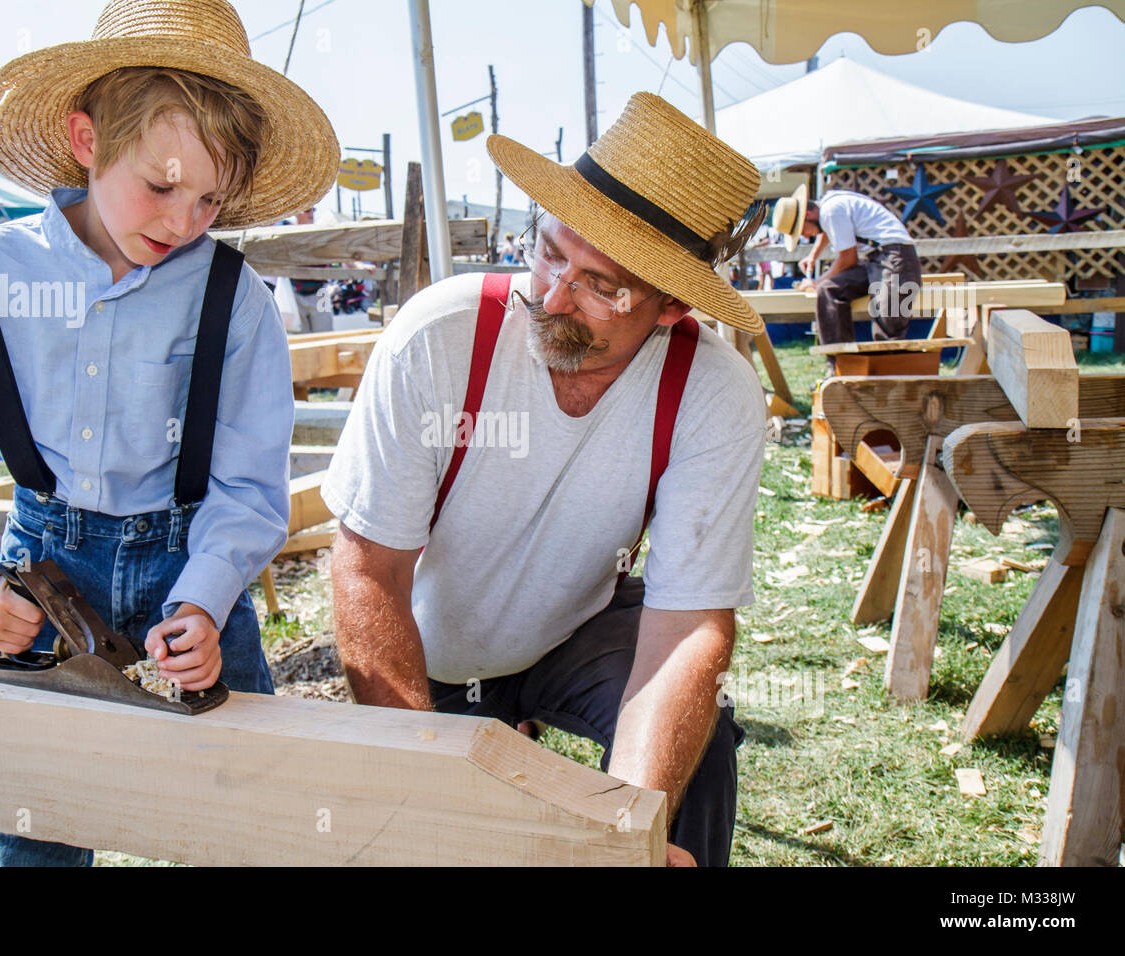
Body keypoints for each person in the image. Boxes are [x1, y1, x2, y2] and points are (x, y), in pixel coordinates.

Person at [0, 0, 337, 866]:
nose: (184, 220)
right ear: (87, 140)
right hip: (45, 572)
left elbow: (248, 483)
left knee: (249, 817)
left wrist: (204, 597)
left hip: (193, 565)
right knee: (35, 822)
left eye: (209, 200)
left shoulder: (236, 300)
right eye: (160, 186)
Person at [323, 92, 767, 867]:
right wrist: (421, 777)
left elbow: (687, 626)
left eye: (602, 285)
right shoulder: (439, 339)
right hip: (431, 648)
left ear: (668, 308)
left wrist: (629, 830)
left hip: (576, 628)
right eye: (552, 252)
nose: (554, 297)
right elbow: (369, 570)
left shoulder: (712, 392)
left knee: (701, 742)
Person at [772, 182, 922, 372]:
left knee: (887, 319)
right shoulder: (827, 208)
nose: (805, 236)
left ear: (808, 215)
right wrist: (813, 255)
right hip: (875, 259)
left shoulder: (832, 210)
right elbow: (827, 230)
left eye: (802, 230)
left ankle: (889, 377)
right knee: (829, 290)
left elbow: (848, 259)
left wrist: (816, 282)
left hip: (896, 257)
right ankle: (840, 366)